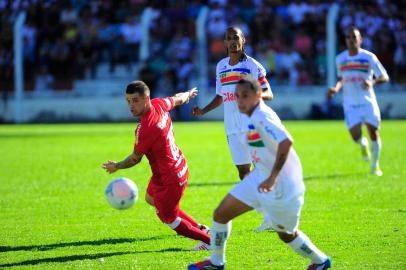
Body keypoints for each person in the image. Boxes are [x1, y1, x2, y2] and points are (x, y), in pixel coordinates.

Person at [188, 77, 331, 270]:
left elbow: (286, 141)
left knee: (287, 234)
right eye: (237, 96)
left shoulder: (262, 116)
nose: (239, 100)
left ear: (258, 95)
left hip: (282, 186)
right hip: (259, 178)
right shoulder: (249, 115)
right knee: (221, 214)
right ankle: (216, 262)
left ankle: (320, 260)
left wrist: (272, 177)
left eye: (245, 96)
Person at [102, 80, 210, 250]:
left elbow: (134, 159)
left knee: (169, 218)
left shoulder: (146, 127)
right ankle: (202, 229)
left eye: (135, 100)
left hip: (170, 178)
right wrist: (188, 94)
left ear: (146, 99)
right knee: (150, 198)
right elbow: (177, 99)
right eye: (128, 101)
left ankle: (211, 242)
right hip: (175, 167)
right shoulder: (159, 104)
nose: (131, 105)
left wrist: (117, 165)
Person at [192, 26, 273, 231]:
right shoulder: (220, 66)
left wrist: (251, 97)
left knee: (260, 169)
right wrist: (204, 111)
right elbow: (221, 97)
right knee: (244, 174)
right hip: (231, 127)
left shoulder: (253, 65)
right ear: (225, 43)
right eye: (229, 38)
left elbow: (268, 93)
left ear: (243, 40)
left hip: (251, 124)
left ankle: (271, 215)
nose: (233, 41)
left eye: (236, 37)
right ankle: (268, 213)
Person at [327, 27, 389, 176]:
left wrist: (372, 82)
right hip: (350, 104)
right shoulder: (340, 59)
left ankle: (375, 166)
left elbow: (384, 76)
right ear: (345, 40)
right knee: (355, 136)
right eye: (348, 37)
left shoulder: (369, 57)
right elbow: (341, 78)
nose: (351, 40)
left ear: (360, 40)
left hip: (368, 102)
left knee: (373, 132)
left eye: (354, 37)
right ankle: (363, 144)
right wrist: (336, 88)